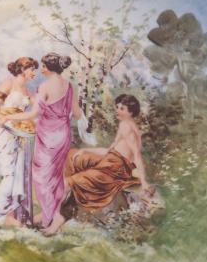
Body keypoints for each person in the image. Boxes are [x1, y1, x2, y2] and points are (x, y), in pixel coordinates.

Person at [0, 52, 83, 235]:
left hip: (47, 136)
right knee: (56, 177)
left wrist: (9, 117)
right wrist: (63, 113)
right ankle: (50, 217)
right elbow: (78, 115)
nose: (40, 70)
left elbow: (32, 114)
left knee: (41, 178)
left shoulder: (44, 87)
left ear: (49, 68)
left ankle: (50, 218)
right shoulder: (69, 86)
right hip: (63, 135)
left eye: (43, 66)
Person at [62, 94, 154, 229]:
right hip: (111, 161)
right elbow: (110, 150)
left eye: (122, 109)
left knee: (67, 182)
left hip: (114, 168)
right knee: (75, 157)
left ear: (131, 112)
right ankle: (64, 209)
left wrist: (144, 182)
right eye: (117, 107)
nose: (117, 111)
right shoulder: (125, 124)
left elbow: (136, 154)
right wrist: (86, 150)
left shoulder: (127, 127)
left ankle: (55, 214)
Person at [0, 56, 38, 230]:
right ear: (23, 69)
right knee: (10, 175)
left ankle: (6, 215)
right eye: (32, 69)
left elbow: (37, 111)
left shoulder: (28, 91)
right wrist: (1, 122)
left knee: (17, 175)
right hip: (5, 132)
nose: (34, 73)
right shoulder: (8, 83)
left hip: (21, 135)